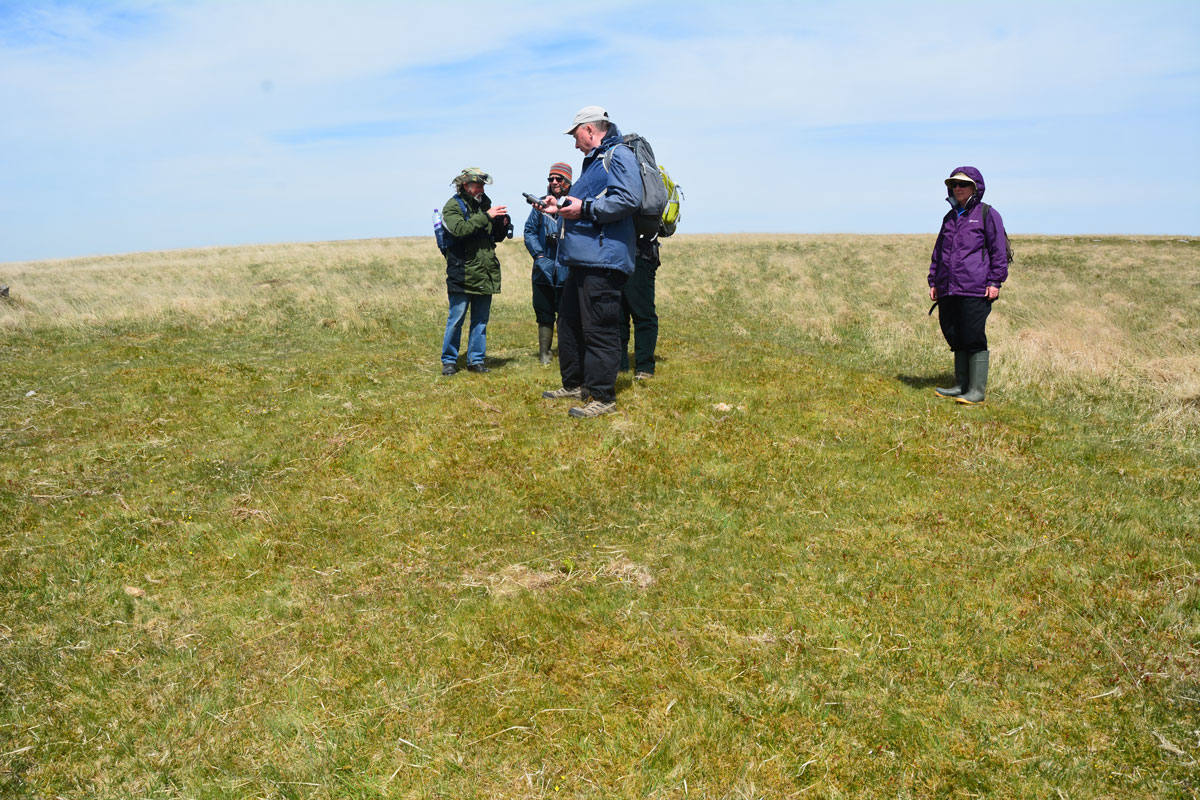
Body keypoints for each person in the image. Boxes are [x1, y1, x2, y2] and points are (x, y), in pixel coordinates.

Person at [540, 106, 642, 418]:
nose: (574, 143)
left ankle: (603, 398)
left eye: (575, 135)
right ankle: (575, 383)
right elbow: (588, 201)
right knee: (569, 323)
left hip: (603, 260)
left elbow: (629, 199)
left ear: (589, 129)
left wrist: (584, 210)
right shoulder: (594, 162)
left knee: (599, 329)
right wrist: (559, 206)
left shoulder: (619, 155)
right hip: (582, 259)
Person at [928, 166, 1009, 404]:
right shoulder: (950, 217)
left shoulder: (987, 214)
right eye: (954, 184)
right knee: (954, 333)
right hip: (948, 288)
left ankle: (976, 391)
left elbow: (998, 252)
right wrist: (934, 281)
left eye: (963, 184)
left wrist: (995, 281)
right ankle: (961, 385)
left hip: (975, 287)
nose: (958, 188)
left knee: (973, 335)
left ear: (976, 187)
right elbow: (939, 252)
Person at [439, 168, 510, 376]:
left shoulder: (485, 204)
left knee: (481, 319)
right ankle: (449, 361)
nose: (481, 189)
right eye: (477, 185)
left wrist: (501, 225)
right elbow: (460, 230)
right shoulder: (452, 206)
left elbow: (491, 238)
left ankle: (476, 361)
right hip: (461, 272)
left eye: (482, 185)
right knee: (456, 318)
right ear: (465, 186)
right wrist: (486, 216)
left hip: (485, 272)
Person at [524, 162, 572, 365]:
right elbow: (529, 231)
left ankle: (567, 352)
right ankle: (545, 353)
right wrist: (540, 256)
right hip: (543, 269)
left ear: (567, 182)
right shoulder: (540, 204)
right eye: (551, 179)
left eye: (558, 179)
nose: (554, 182)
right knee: (543, 311)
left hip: (567, 268)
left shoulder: (573, 204)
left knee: (567, 313)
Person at [619, 233, 661, 379]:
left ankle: (645, 367)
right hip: (617, 256)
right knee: (618, 314)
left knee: (642, 313)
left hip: (640, 255)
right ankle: (620, 365)